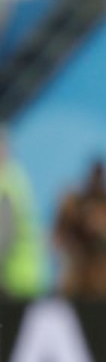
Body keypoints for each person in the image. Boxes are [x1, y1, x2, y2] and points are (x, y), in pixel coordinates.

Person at [52, 159, 106, 299]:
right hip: (79, 281)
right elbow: (57, 239)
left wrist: (101, 225)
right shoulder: (76, 203)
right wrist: (75, 217)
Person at [0, 127, 47, 300]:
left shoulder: (6, 184)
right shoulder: (15, 177)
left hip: (15, 281)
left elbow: (4, 236)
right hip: (28, 276)